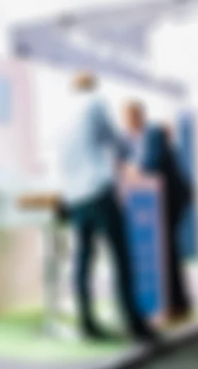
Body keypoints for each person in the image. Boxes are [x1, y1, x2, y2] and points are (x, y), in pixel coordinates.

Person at [59, 74, 160, 343]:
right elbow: (114, 139)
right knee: (122, 257)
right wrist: (126, 151)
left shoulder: (62, 113)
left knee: (83, 260)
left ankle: (87, 323)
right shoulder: (95, 102)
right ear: (92, 86)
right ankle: (135, 325)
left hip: (75, 195)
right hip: (98, 189)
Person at [123, 102, 194, 325]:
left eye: (129, 117)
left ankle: (178, 304)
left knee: (169, 250)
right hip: (161, 200)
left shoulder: (153, 132)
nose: (127, 123)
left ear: (138, 116)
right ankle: (176, 303)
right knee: (167, 250)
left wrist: (135, 170)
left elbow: (154, 163)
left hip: (174, 198)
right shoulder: (137, 139)